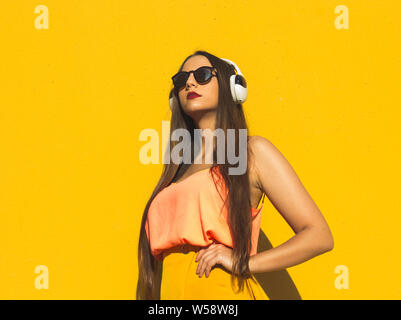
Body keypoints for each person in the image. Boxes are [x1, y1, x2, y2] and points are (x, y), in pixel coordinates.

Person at [137, 50, 334, 300]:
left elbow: (319, 235)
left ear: (233, 87)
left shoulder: (252, 153)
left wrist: (245, 263)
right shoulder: (174, 174)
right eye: (181, 79)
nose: (189, 82)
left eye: (203, 75)